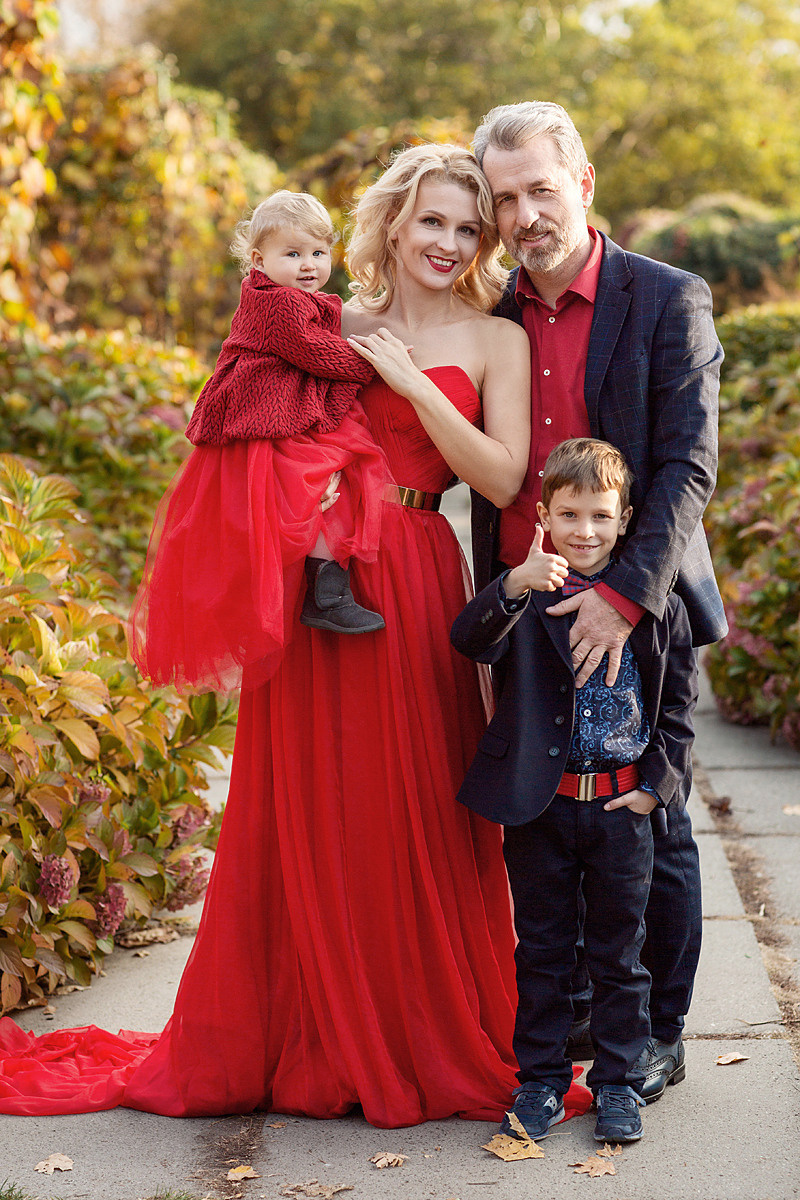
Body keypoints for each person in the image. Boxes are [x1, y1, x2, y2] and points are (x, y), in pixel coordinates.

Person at [0, 144, 592, 1128]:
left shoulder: (494, 340)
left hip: (409, 569)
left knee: (410, 802)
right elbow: (241, 412)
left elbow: (498, 479)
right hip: (316, 580)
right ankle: (302, 1030)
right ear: (392, 226)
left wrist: (411, 377)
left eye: (464, 226)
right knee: (309, 801)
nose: (446, 242)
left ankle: (404, 1031)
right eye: (429, 222)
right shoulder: (329, 323)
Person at [470, 101, 727, 1103]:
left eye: (538, 189)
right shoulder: (490, 313)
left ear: (578, 183)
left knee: (643, 821)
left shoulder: (663, 298)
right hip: (524, 609)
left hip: (637, 606)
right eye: (502, 199)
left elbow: (686, 464)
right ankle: (577, 1028)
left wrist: (620, 598)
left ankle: (656, 1035)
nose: (523, 215)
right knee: (541, 814)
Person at [451, 438, 697, 1143]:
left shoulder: (655, 605)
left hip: (622, 809)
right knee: (545, 951)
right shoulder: (528, 594)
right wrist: (518, 580)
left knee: (622, 953)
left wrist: (655, 791)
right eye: (569, 514)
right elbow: (469, 639)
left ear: (624, 522)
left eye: (599, 516)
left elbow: (677, 712)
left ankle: (616, 1083)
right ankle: (541, 1083)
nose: (584, 530)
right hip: (542, 806)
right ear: (544, 516)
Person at [129, 190, 388, 698]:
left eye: (318, 253)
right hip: (261, 415)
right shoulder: (277, 303)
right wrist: (374, 362)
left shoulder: (294, 298)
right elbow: (315, 352)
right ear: (259, 261)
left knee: (326, 477)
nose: (308, 265)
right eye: (292, 254)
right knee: (311, 478)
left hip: (277, 408)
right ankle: (324, 590)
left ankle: (324, 585)